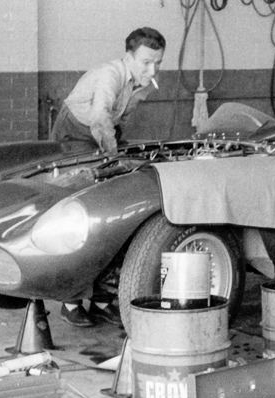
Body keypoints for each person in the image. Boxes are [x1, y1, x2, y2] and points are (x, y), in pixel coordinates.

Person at [51, 26, 166, 327]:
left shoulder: (145, 83)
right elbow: (101, 119)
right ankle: (70, 301)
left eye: (158, 63)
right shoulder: (110, 76)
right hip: (75, 133)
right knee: (80, 214)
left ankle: (102, 298)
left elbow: (120, 121)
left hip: (101, 135)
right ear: (129, 58)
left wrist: (116, 153)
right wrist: (112, 157)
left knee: (110, 211)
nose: (153, 69)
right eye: (146, 62)